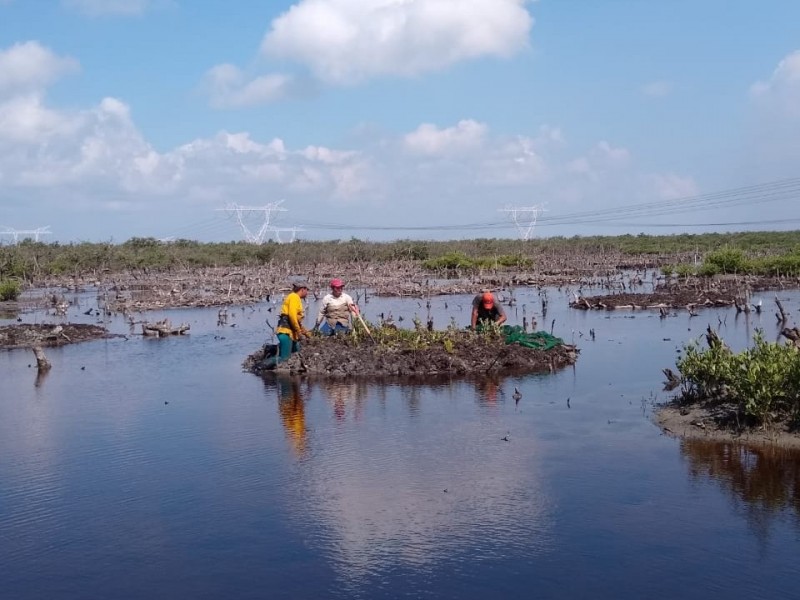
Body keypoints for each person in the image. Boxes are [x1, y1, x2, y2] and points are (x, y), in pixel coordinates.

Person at [261, 282, 311, 369]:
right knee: (285, 358)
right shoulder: (294, 297)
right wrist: (299, 332)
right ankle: (260, 366)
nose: (308, 293)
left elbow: (297, 322)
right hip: (285, 332)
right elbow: (292, 316)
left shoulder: (295, 298)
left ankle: (271, 348)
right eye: (307, 290)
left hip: (290, 333)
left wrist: (307, 334)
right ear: (302, 289)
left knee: (296, 350)